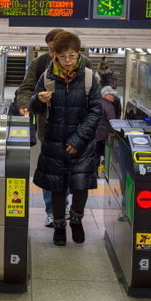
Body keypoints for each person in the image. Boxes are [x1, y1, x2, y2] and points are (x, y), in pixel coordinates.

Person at [30, 31, 102, 246]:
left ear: (78, 54)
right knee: (57, 187)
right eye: (63, 57)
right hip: (54, 142)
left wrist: (78, 140)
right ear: (55, 55)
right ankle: (59, 226)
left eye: (72, 56)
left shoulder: (89, 78)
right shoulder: (47, 77)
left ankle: (77, 219)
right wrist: (38, 100)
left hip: (82, 145)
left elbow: (95, 111)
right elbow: (35, 108)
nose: (68, 61)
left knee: (81, 187)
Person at [14, 29, 66, 228]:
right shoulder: (40, 63)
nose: (53, 53)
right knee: (50, 169)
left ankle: (66, 205)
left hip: (74, 129)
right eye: (50, 49)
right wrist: (26, 104)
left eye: (57, 49)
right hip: (48, 125)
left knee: (70, 170)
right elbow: (25, 88)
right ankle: (52, 210)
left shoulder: (82, 64)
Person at [95, 85, 120, 172]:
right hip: (103, 135)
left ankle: (95, 173)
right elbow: (112, 122)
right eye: (112, 95)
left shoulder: (98, 102)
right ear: (106, 95)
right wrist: (117, 133)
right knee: (106, 154)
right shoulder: (109, 106)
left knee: (96, 155)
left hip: (95, 134)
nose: (114, 97)